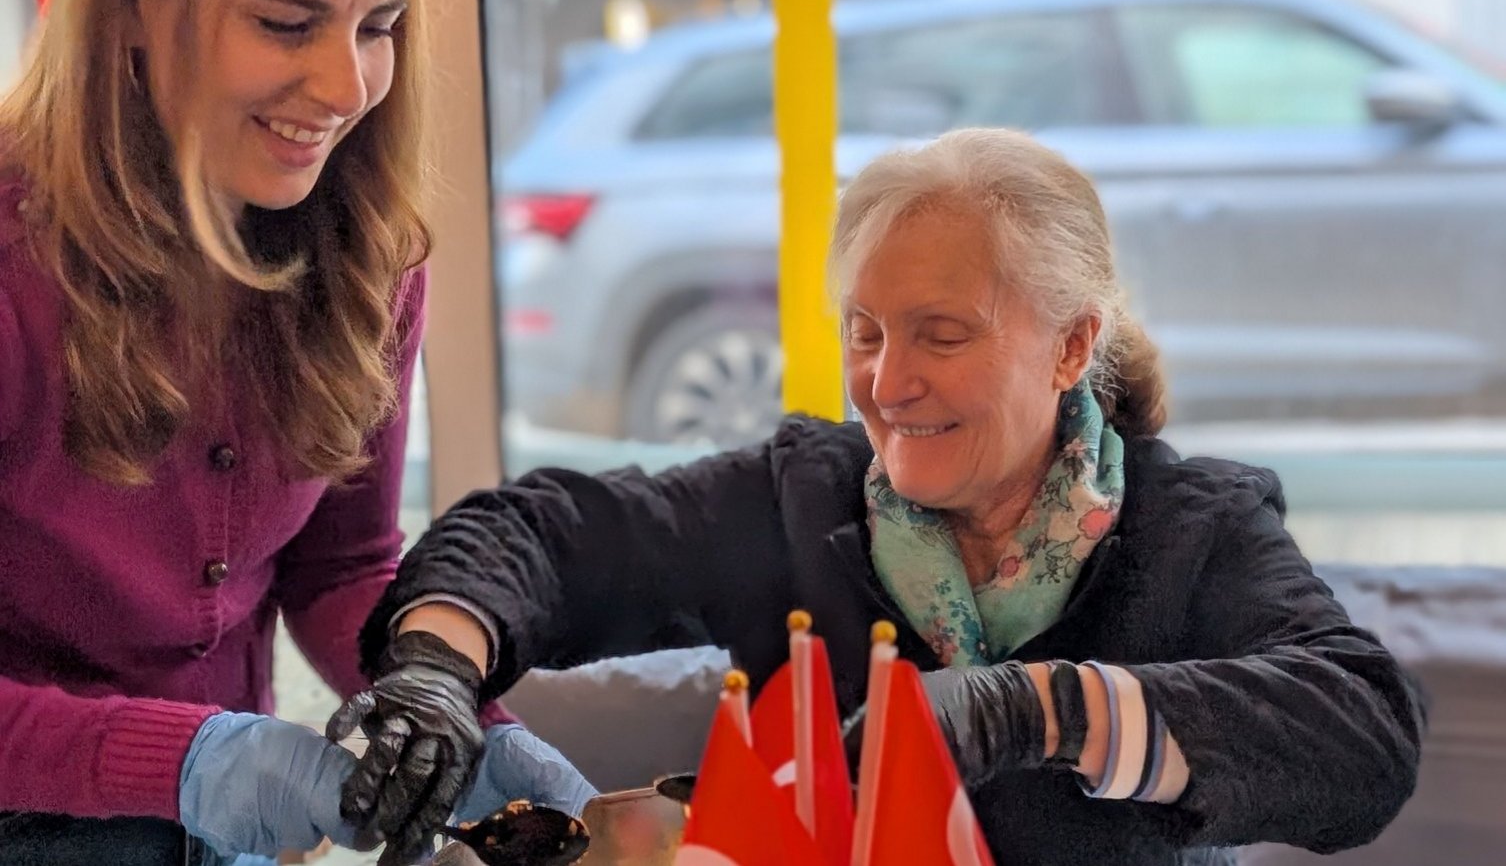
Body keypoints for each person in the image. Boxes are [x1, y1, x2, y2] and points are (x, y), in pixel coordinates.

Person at [338, 127, 1425, 865]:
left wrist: (1037, 709)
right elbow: (537, 532)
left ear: (1071, 344)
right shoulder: (799, 500)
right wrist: (437, 663)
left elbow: (1365, 729)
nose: (888, 381)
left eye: (941, 335)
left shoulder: (1194, 530)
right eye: (865, 330)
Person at [0, 0, 587, 865]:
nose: (345, 85)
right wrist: (190, 758)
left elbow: (343, 565)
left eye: (377, 26)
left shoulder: (371, 257)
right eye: (286, 23)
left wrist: (450, 706)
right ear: (132, 1)